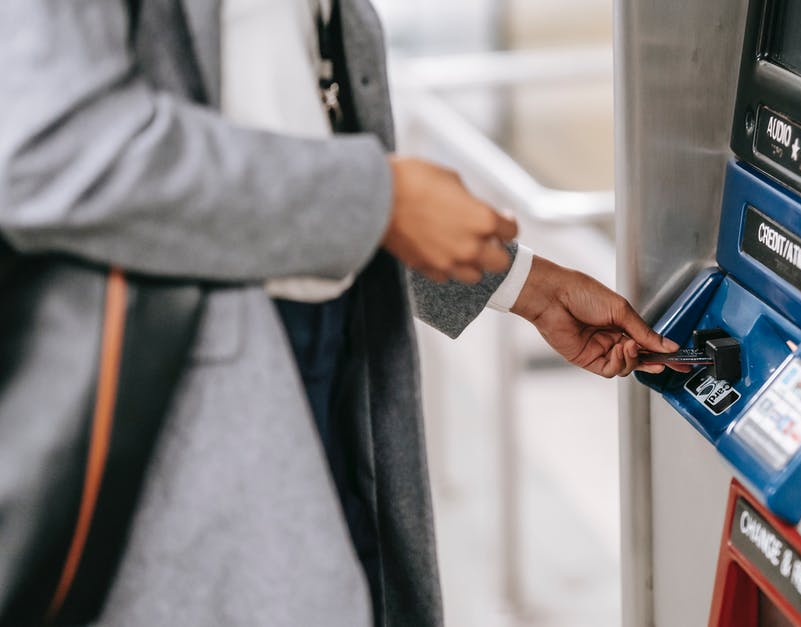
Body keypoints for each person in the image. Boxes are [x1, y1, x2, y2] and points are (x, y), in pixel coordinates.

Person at [0, 0, 677, 625]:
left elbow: (284, 124)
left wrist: (522, 284)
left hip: (325, 361)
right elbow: (48, 150)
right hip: (190, 410)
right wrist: (380, 198)